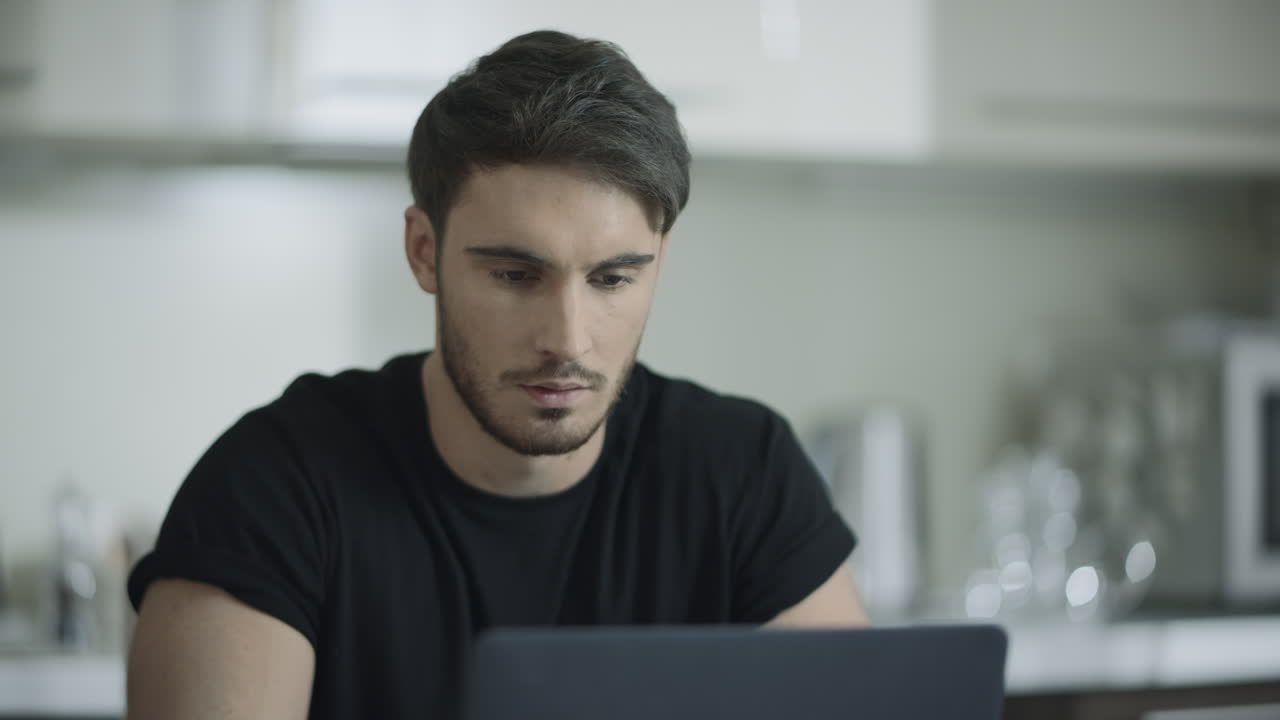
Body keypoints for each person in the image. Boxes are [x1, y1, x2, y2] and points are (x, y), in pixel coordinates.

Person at [125, 29, 868, 720]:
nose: (567, 340)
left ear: (659, 263)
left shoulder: (740, 470)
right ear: (424, 251)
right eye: (516, 274)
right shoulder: (273, 487)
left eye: (612, 279)